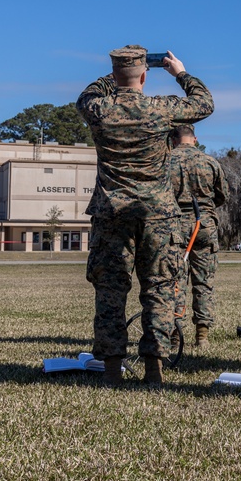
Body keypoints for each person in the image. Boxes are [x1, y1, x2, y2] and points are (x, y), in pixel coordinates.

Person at [77, 46, 214, 387]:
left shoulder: (98, 108)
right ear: (144, 75)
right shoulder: (161, 109)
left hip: (112, 212)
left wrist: (116, 75)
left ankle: (111, 369)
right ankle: (154, 368)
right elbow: (205, 102)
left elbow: (88, 95)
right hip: (158, 214)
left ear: (114, 74)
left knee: (110, 290)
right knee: (160, 288)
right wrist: (179, 72)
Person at [169, 124, 227, 348]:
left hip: (175, 227)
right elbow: (223, 195)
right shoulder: (210, 161)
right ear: (195, 139)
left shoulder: (166, 161)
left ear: (173, 141)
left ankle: (175, 336)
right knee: (204, 282)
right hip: (204, 225)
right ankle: (202, 336)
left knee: (175, 281)